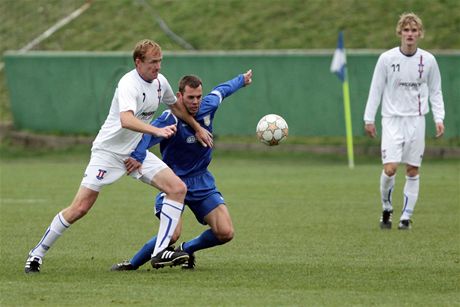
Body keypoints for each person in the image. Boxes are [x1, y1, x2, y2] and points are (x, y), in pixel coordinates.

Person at [24, 39, 213, 273]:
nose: (158, 67)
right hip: (108, 153)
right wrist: (156, 130)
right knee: (80, 207)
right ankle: (37, 253)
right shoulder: (128, 84)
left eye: (160, 62)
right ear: (138, 62)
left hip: (135, 153)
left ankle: (160, 251)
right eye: (153, 62)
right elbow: (126, 119)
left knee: (177, 189)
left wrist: (197, 127)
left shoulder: (159, 82)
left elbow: (177, 108)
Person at [110, 69, 253, 271]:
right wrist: (139, 156)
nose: (195, 102)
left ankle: (187, 248)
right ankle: (132, 264)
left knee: (225, 232)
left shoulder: (208, 106)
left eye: (198, 97)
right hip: (174, 183)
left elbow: (222, 90)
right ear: (179, 96)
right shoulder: (170, 119)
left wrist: (242, 80)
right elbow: (147, 136)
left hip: (202, 180)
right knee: (171, 234)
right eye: (190, 97)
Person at [364, 13, 445, 230]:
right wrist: (369, 118)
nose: (410, 34)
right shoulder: (387, 59)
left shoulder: (428, 60)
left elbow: (436, 91)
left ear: (420, 34)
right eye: (406, 30)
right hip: (391, 120)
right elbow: (376, 89)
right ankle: (387, 207)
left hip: (416, 120)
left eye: (414, 30)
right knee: (390, 169)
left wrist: (439, 118)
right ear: (400, 32)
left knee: (412, 170)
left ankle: (405, 217)